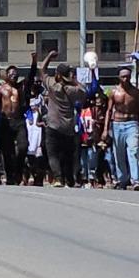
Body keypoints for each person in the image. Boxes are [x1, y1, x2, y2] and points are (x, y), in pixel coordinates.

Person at [37, 52, 86, 188]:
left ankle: (58, 178)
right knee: (67, 155)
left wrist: (49, 56)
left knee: (53, 154)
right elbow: (84, 90)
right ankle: (70, 179)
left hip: (53, 126)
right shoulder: (73, 90)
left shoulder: (53, 85)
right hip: (68, 127)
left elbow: (42, 69)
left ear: (58, 75)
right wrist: (73, 80)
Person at [106, 68, 139, 190]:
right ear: (119, 77)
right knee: (119, 153)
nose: (126, 79)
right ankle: (122, 179)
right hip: (117, 124)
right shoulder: (114, 92)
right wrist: (105, 129)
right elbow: (109, 111)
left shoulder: (135, 92)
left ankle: (136, 180)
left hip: (132, 123)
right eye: (123, 76)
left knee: (133, 151)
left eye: (128, 76)